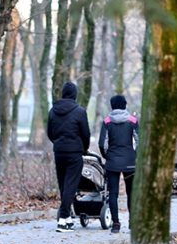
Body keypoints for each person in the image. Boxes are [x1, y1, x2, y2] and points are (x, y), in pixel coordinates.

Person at [47, 82, 90, 233]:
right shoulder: (80, 111)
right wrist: (84, 148)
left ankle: (68, 219)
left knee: (63, 186)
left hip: (59, 152)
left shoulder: (53, 111)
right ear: (75, 95)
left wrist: (58, 143)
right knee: (71, 186)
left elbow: (50, 133)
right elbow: (85, 134)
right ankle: (63, 218)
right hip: (74, 152)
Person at [98, 94, 138, 234]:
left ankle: (115, 224)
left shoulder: (107, 121)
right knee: (131, 192)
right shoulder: (133, 120)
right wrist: (135, 155)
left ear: (112, 106)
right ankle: (132, 222)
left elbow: (102, 144)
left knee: (113, 193)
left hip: (112, 162)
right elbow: (139, 141)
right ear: (125, 105)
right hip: (130, 162)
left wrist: (107, 156)